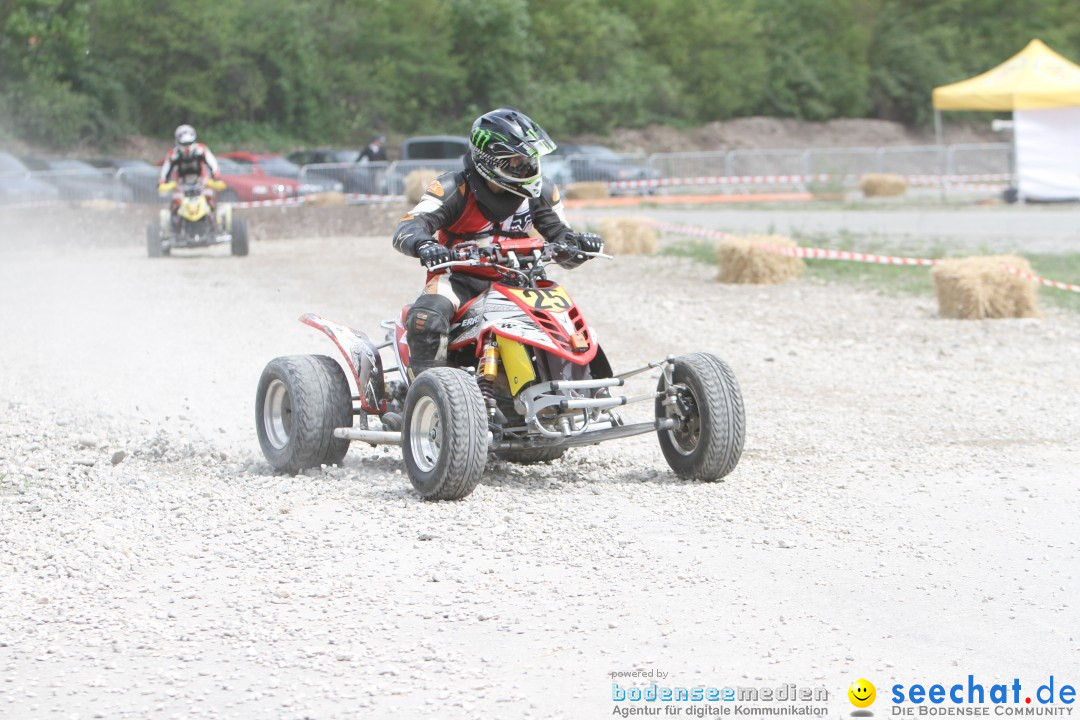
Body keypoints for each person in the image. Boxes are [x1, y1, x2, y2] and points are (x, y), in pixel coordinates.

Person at [391, 107, 604, 377]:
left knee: (564, 323)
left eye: (530, 159)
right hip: (459, 280)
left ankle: (583, 387)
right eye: (516, 161)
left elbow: (563, 240)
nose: (527, 166)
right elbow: (409, 226)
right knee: (427, 318)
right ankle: (424, 395)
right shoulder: (453, 188)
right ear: (489, 160)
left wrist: (578, 247)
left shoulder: (541, 192)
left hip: (519, 280)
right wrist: (424, 244)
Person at [157, 124, 222, 225]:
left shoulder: (201, 150)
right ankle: (174, 227)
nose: (187, 147)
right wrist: (162, 182)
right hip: (181, 183)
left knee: (210, 200)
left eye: (189, 143)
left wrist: (215, 175)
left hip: (201, 180)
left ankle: (215, 223)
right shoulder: (173, 155)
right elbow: (165, 171)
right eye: (184, 144)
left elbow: (213, 163)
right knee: (176, 203)